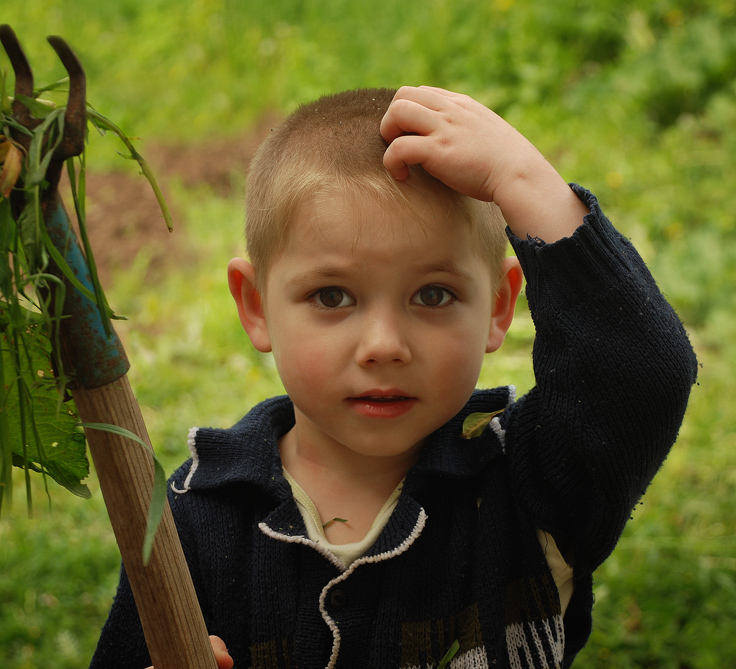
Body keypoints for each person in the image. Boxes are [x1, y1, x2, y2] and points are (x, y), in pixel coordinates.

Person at [90, 86, 697, 669]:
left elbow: (643, 372)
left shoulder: (532, 481)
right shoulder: (197, 516)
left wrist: (523, 180)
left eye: (433, 294)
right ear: (255, 306)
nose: (384, 346)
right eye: (332, 296)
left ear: (497, 307)